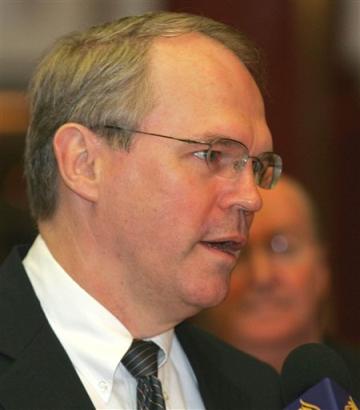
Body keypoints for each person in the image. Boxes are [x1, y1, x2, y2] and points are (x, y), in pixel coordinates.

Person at [0, 11, 284, 410]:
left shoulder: (257, 392)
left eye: (256, 165)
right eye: (213, 154)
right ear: (84, 163)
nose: (251, 198)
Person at [192, 174, 360, 400]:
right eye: (237, 250)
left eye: (282, 247)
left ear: (322, 267)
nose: (262, 276)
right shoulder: (175, 390)